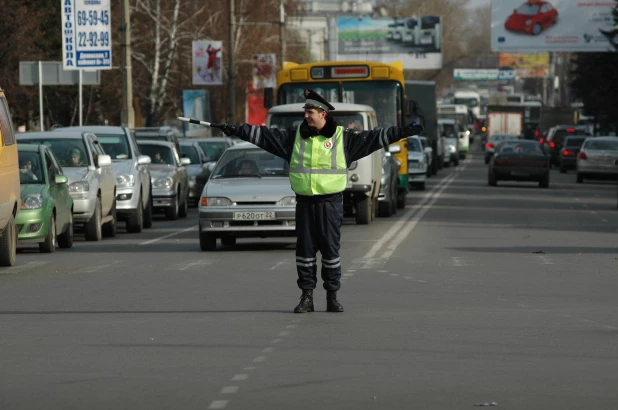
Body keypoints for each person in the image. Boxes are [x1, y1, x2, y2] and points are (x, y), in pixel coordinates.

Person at [216, 89, 423, 313]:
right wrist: (237, 130)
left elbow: (375, 137)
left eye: (310, 111)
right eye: (305, 111)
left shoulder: (343, 139)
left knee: (330, 252)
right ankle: (307, 297)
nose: (306, 115)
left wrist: (402, 131)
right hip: (304, 203)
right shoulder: (293, 138)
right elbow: (263, 136)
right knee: (304, 252)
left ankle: (332, 297)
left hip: (330, 203)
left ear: (323, 113)